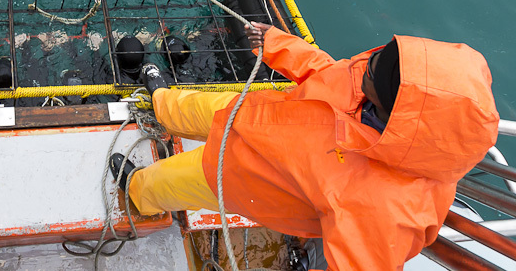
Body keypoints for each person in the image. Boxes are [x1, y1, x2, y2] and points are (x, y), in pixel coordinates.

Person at [109, 22, 499, 270]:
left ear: (402, 114)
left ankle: (136, 193)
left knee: (164, 183)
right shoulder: (372, 79)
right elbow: (326, 68)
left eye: (372, 77)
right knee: (185, 107)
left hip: (236, 175)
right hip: (248, 113)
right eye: (377, 59)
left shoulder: (385, 207)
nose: (363, 68)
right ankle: (161, 102)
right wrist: (277, 43)